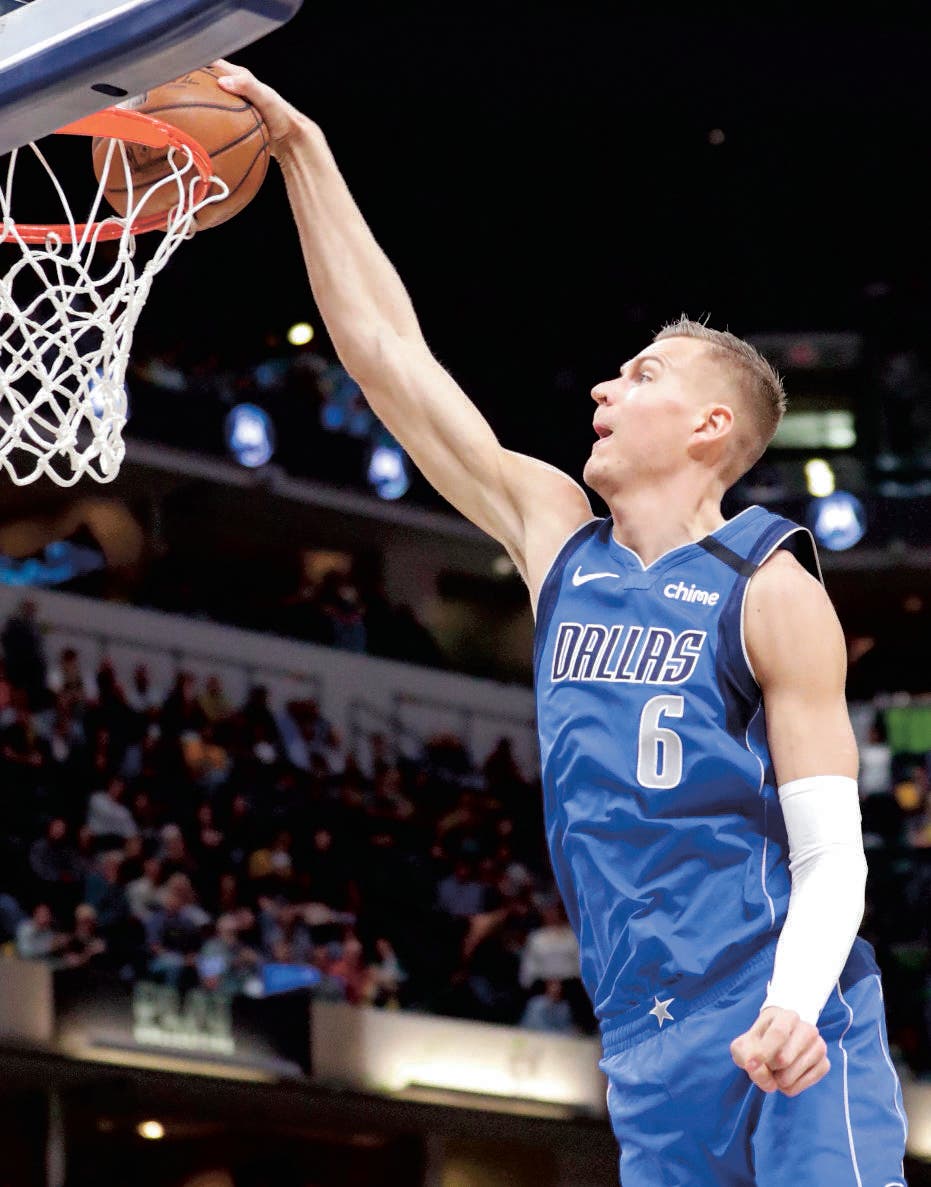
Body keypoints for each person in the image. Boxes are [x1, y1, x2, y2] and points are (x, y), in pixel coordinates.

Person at [215, 63, 907, 1185]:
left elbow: (832, 854)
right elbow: (390, 358)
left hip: (783, 1000)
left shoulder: (769, 584)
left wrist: (791, 1003)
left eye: (639, 375)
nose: (602, 386)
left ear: (709, 423)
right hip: (642, 1034)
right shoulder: (555, 539)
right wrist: (304, 152)